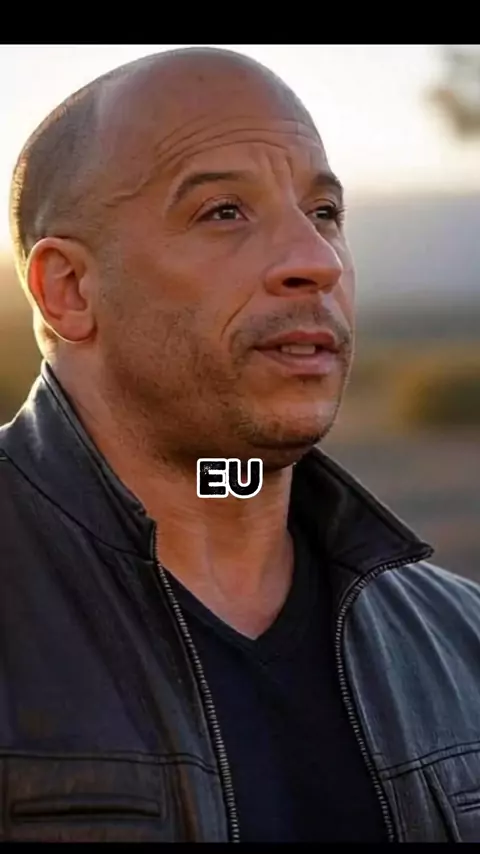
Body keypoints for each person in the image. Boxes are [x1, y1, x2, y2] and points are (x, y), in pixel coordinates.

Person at [1, 46, 479, 845]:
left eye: (324, 214)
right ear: (69, 289)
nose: (316, 262)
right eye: (224, 212)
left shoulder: (460, 642)